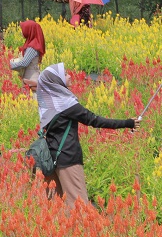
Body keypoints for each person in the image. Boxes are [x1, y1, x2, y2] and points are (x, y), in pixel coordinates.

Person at [36, 63, 139, 208]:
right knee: (79, 205)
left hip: (52, 158)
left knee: (60, 206)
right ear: (56, 81)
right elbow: (95, 120)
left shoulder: (49, 104)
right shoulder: (66, 105)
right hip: (68, 159)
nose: (69, 75)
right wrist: (128, 123)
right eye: (65, 74)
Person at [10, 20, 46, 92]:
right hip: (29, 78)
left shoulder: (32, 47)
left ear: (29, 31)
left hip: (31, 78)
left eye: (23, 30)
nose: (21, 32)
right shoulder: (33, 44)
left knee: (32, 100)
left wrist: (11, 64)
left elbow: (24, 63)